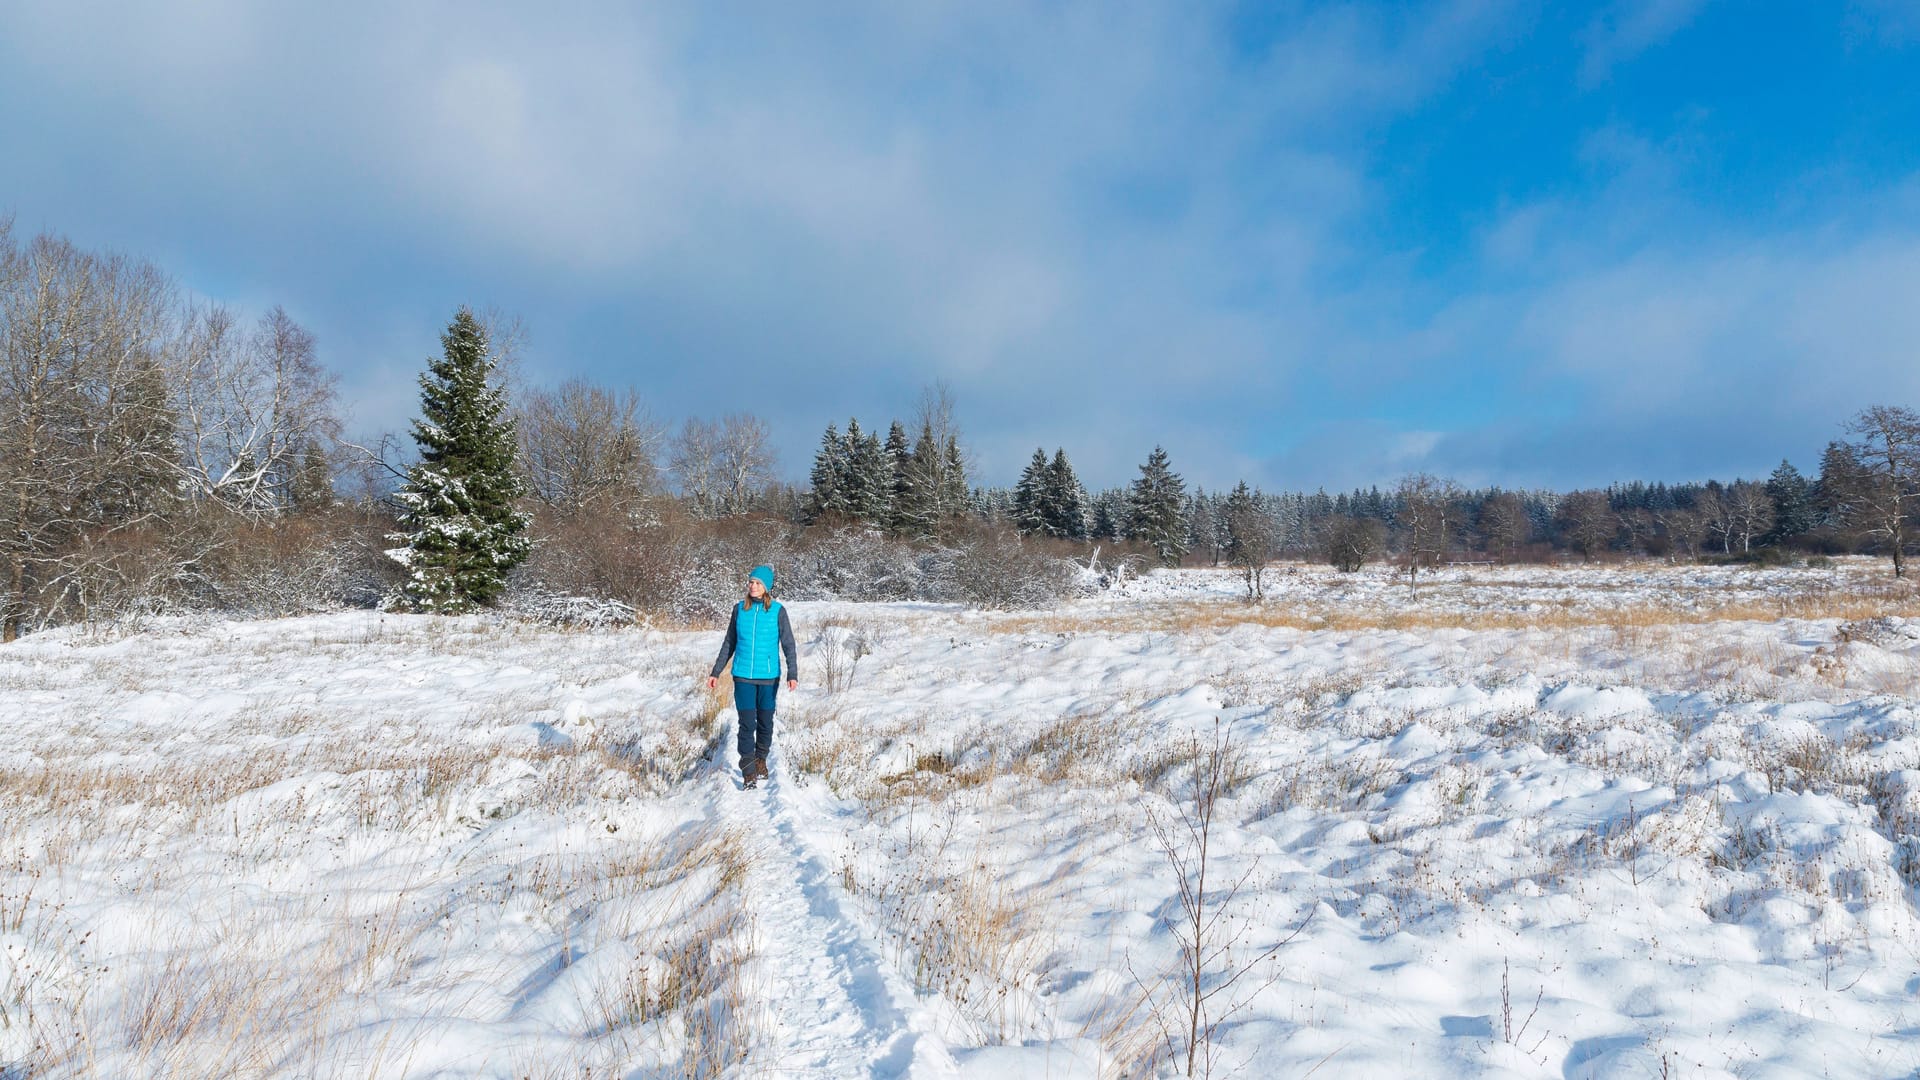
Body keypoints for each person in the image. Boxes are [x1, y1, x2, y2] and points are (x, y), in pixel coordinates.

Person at [707, 564, 798, 787]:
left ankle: (761, 759)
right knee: (747, 724)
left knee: (765, 723)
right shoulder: (739, 609)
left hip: (769, 678)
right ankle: (748, 772)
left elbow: (788, 644)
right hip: (743, 676)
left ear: (766, 587)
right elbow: (729, 643)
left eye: (757, 583)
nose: (753, 586)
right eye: (751, 582)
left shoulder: (778, 611)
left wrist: (792, 673)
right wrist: (716, 671)